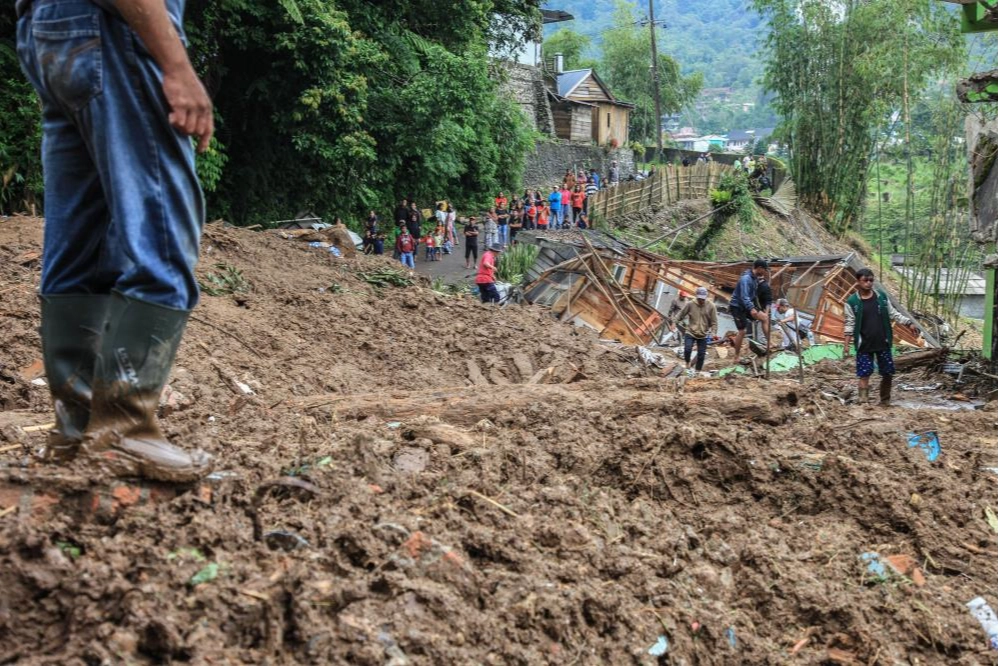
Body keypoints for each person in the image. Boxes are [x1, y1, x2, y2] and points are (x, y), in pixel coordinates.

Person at [16, 0, 216, 480]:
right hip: (116, 29)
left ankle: (78, 428)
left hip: (50, 31)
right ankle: (124, 429)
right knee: (162, 233)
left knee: (81, 243)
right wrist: (176, 65)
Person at [844, 268, 919, 405]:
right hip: (864, 344)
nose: (868, 283)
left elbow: (893, 314)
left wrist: (908, 323)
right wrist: (846, 345)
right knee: (864, 374)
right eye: (865, 280)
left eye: (871, 280)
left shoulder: (881, 298)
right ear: (858, 282)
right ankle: (863, 402)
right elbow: (850, 323)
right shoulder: (852, 302)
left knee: (887, 372)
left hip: (882, 341)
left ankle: (885, 401)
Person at [729, 259, 771, 360]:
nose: (765, 272)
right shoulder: (746, 279)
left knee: (765, 318)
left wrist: (759, 309)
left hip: (747, 305)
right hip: (737, 306)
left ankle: (769, 343)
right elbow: (744, 297)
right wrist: (751, 308)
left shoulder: (755, 279)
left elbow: (754, 296)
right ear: (759, 268)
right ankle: (736, 356)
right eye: (765, 269)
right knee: (742, 331)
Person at [669, 286, 717, 374]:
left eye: (703, 299)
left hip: (703, 334)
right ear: (697, 297)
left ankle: (697, 372)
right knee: (687, 349)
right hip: (691, 331)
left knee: (701, 354)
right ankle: (688, 362)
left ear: (706, 297)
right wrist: (674, 322)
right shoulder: (690, 304)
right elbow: (681, 314)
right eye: (699, 299)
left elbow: (714, 322)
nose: (701, 301)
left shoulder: (711, 306)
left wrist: (713, 333)